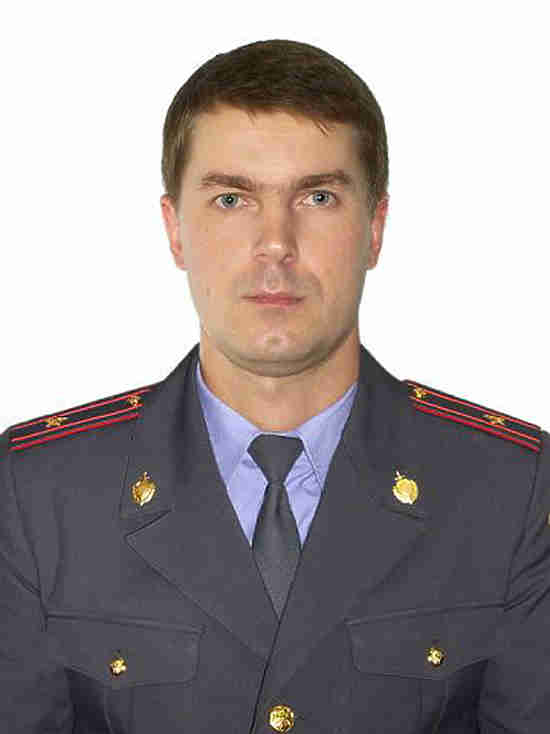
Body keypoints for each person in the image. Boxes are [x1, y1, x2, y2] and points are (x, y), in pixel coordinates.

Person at [1, 38, 549, 734]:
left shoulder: (511, 492)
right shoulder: (39, 495)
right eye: (232, 199)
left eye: (318, 197)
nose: (276, 243)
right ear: (175, 230)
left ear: (375, 229)